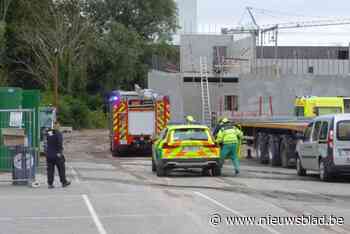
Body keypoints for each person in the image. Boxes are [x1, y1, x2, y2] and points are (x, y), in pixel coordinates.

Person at [46, 121, 71, 189]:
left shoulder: (49, 132)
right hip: (57, 154)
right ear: (57, 126)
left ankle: (50, 184)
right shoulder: (59, 133)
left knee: (50, 170)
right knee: (61, 168)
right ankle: (64, 182)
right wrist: (60, 152)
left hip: (49, 154)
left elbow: (48, 139)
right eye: (58, 125)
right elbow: (60, 143)